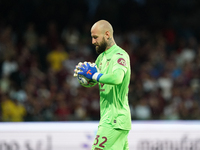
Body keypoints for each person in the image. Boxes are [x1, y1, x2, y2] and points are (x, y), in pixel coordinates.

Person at [74, 20, 131, 150]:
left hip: (115, 119)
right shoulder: (101, 58)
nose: (93, 42)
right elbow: (98, 80)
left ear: (107, 34)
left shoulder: (119, 55)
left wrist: (93, 75)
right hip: (110, 119)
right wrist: (85, 79)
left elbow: (117, 78)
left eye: (95, 37)